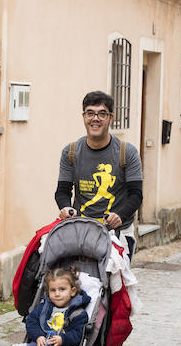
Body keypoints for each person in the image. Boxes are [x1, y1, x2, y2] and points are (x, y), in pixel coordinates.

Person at [56, 90, 143, 259]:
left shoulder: (127, 152)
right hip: (81, 230)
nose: (95, 118)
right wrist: (65, 207)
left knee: (116, 283)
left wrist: (120, 216)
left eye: (102, 114)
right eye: (90, 113)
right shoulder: (71, 152)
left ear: (111, 118)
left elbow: (136, 195)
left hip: (118, 233)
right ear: (83, 117)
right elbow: (62, 190)